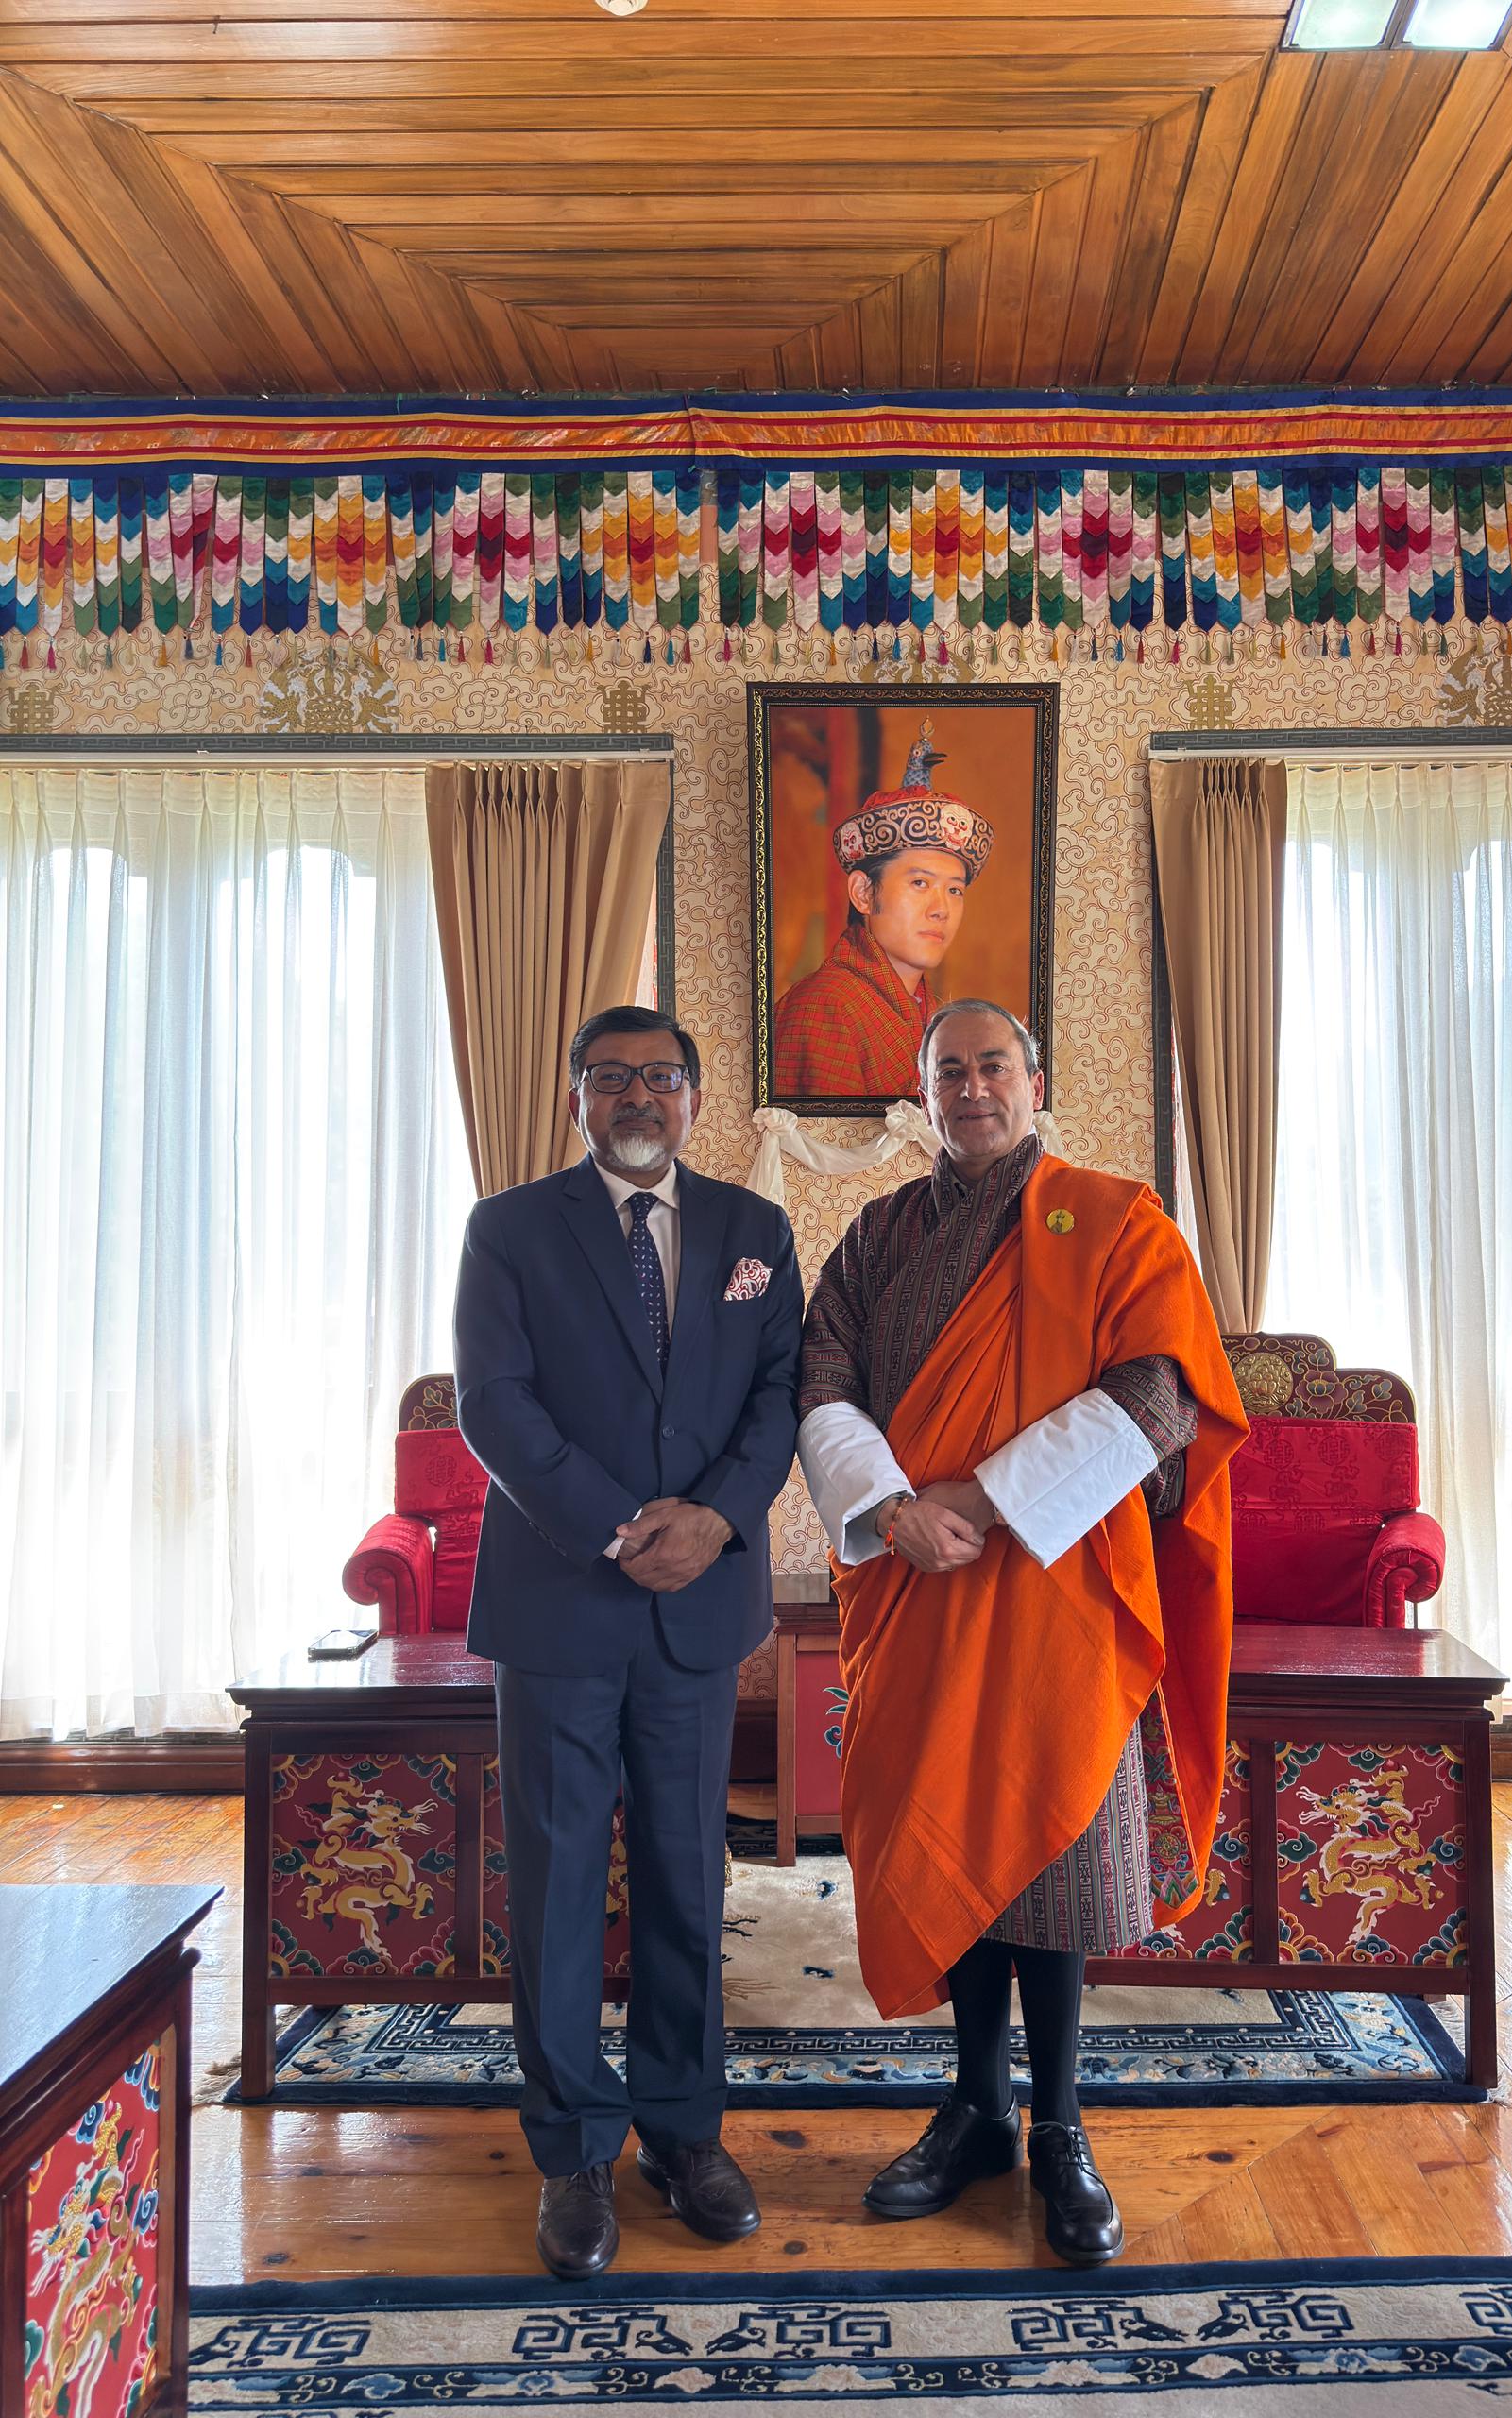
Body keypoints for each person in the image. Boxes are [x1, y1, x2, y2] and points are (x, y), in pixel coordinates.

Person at [796, 1000, 1248, 2266]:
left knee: (1048, 1856)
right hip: (917, 1586)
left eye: (995, 1065)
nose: (974, 1088)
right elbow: (820, 1381)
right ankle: (976, 2110)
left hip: (1058, 1584)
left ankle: (1061, 2126)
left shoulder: (1115, 1220)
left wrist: (983, 1500)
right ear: (923, 1096)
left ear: (1036, 1082)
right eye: (950, 1072)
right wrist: (895, 1510)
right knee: (951, 1837)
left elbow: (1158, 1394)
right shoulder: (880, 1234)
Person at [454, 1005, 803, 2281]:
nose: (638, 1097)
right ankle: (572, 2152)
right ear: (577, 1101)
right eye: (611, 1078)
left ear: (696, 1098)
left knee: (686, 1879)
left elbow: (779, 1397)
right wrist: (620, 1529)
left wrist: (711, 1520)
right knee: (555, 1886)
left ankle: (683, 2133)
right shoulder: (507, 1229)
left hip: (698, 1604)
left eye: (661, 1076)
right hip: (560, 1603)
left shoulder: (757, 1231)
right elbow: (495, 1405)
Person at [774, 720, 994, 1098]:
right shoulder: (824, 1007)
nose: (941, 909)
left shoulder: (931, 1014)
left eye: (955, 890)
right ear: (863, 893)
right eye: (920, 883)